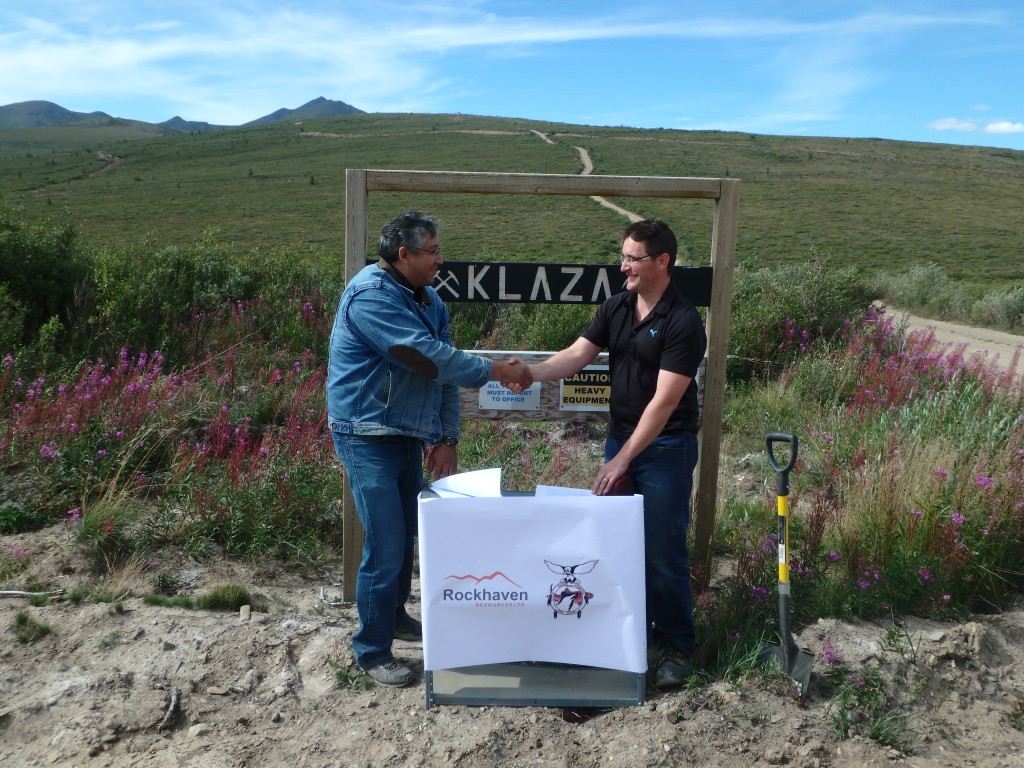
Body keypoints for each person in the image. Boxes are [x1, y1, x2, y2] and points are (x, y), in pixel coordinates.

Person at [327, 210, 533, 687]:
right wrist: (500, 370)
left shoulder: (429, 299)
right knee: (385, 544)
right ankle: (372, 651)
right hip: (366, 433)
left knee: (405, 537)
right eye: (434, 251)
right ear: (405, 254)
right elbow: (427, 356)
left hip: (405, 432)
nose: (442, 259)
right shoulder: (369, 297)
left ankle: (395, 618)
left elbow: (441, 375)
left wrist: (445, 438)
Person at [524, 218, 706, 689]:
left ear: (662, 261)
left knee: (664, 551)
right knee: (614, 546)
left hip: (664, 448)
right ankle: (618, 635)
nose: (623, 265)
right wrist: (528, 373)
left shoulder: (683, 321)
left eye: (633, 258)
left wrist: (621, 459)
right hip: (622, 439)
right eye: (622, 255)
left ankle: (674, 646)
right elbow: (576, 355)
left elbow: (665, 404)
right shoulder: (618, 306)